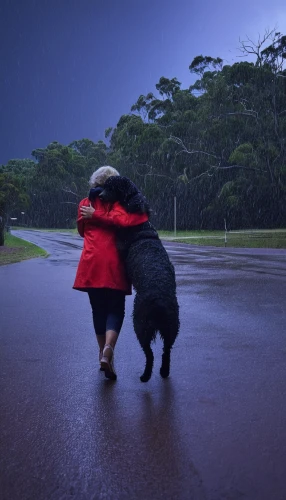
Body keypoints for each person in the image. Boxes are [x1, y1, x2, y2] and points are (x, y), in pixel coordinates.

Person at [73, 166, 148, 380]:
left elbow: (81, 231)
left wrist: (94, 216)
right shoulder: (118, 204)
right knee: (116, 309)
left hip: (91, 262)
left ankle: (103, 355)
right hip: (114, 262)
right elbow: (123, 225)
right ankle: (109, 349)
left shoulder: (84, 203)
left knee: (98, 310)